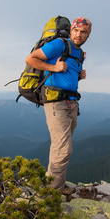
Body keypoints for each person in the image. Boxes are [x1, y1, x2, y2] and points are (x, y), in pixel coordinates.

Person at [25, 17, 92, 194]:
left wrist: (78, 75)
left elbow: (66, 74)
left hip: (71, 103)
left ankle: (56, 185)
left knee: (61, 147)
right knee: (63, 149)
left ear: (88, 34)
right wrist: (54, 68)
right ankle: (52, 192)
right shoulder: (60, 44)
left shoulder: (79, 52)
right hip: (56, 103)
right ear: (71, 30)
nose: (79, 34)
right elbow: (31, 59)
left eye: (83, 32)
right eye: (76, 30)